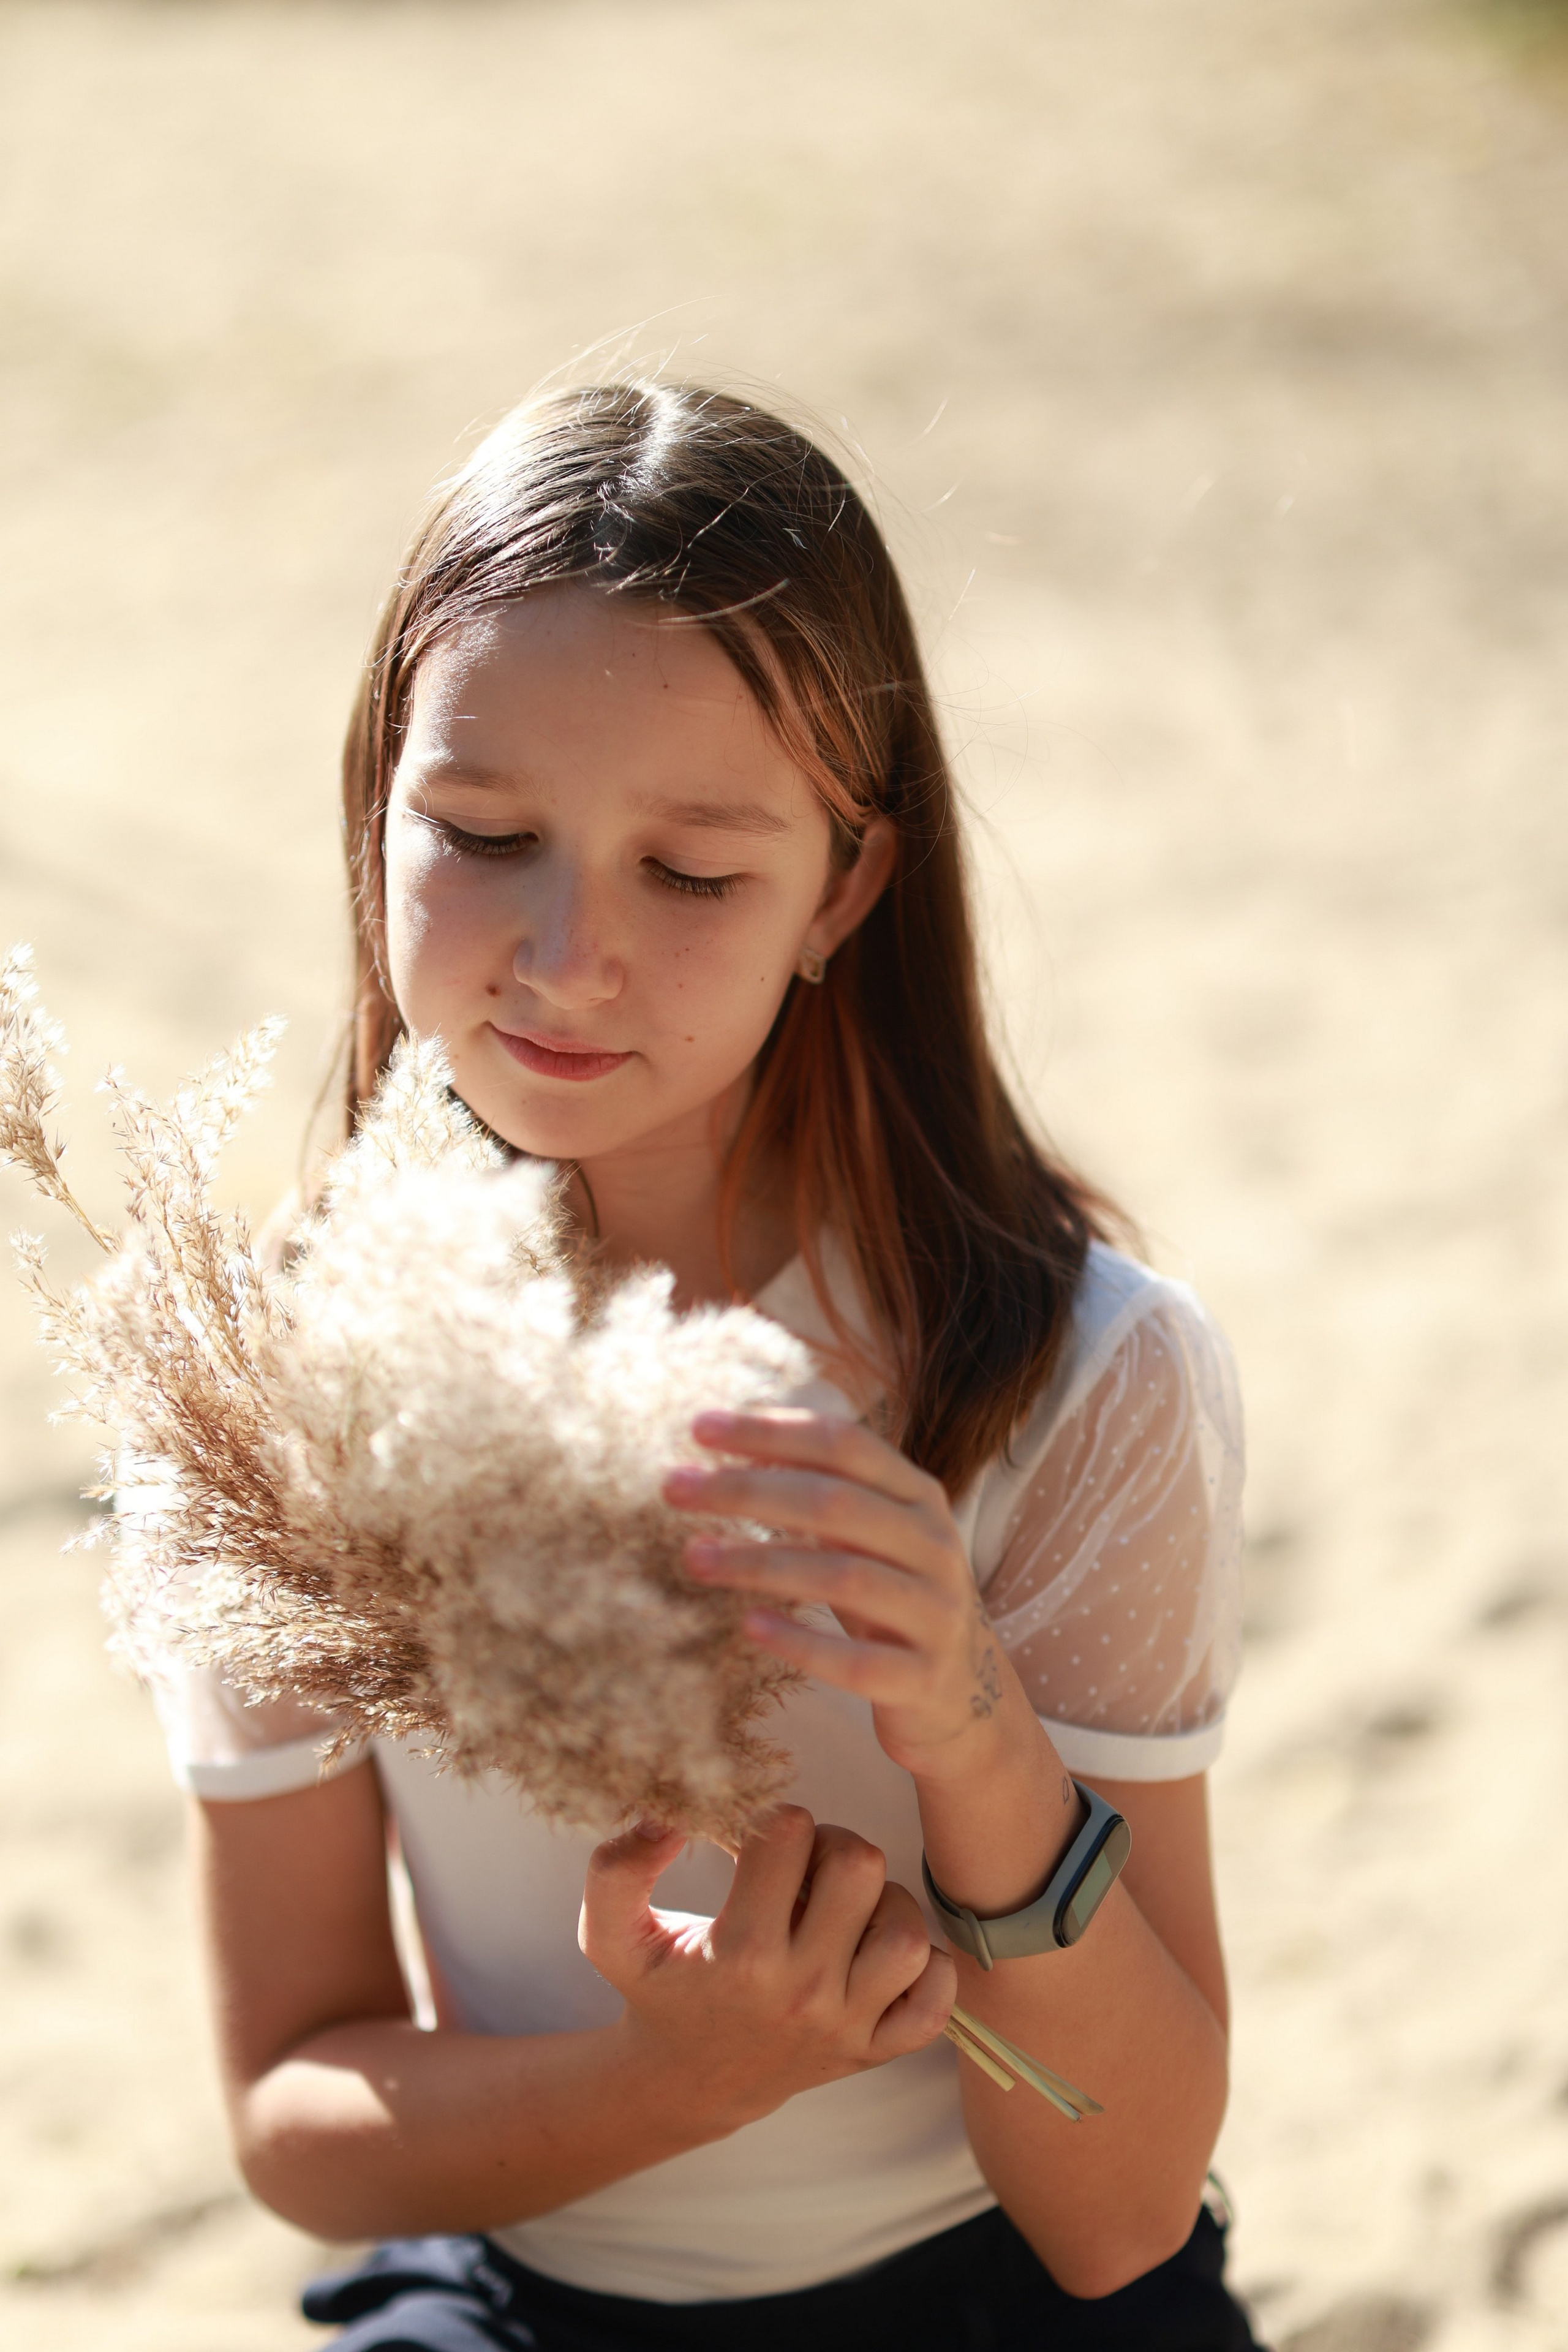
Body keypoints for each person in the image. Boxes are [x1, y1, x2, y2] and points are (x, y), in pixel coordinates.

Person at [160, 382, 1259, 2350]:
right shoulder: (270, 1390)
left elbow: (1120, 2214)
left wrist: (976, 1732)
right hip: (521, 2295)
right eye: (483, 835)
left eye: (691, 876)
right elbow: (296, 2115)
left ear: (843, 889)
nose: (566, 956)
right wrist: (690, 2078)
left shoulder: (1081, 1379)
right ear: (377, 812)